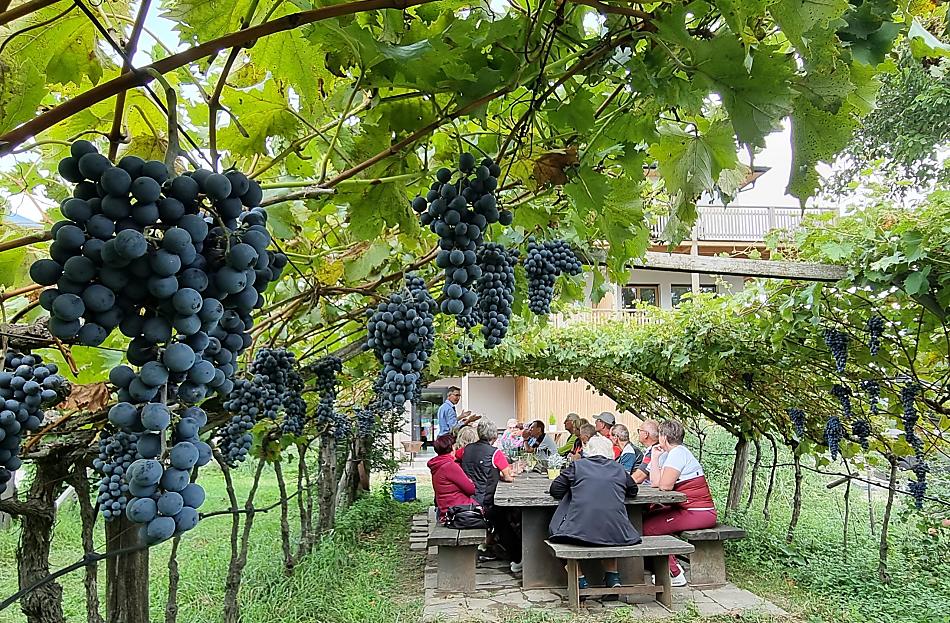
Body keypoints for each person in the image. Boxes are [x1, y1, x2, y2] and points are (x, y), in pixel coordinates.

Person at [548, 435, 641, 592]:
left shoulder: (577, 466)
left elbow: (555, 489)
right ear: (610, 452)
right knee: (607, 530)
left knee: (555, 533)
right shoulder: (619, 469)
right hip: (617, 532)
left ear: (587, 451)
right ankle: (613, 578)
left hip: (579, 531)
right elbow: (633, 491)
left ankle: (579, 579)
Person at [642, 419, 717, 586]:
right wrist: (655, 457)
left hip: (698, 512)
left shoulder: (677, 454)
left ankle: (674, 574)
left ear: (664, 437)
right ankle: (663, 566)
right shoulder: (674, 453)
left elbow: (665, 486)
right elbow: (655, 483)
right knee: (647, 518)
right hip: (689, 509)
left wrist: (659, 469)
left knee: (648, 528)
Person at [460, 420, 520, 571]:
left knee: (503, 516)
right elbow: (508, 477)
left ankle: (490, 546)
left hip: (468, 499)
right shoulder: (495, 453)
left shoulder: (466, 449)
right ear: (495, 436)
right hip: (487, 502)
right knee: (506, 518)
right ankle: (518, 557)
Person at [427, 434, 478, 524]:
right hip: (458, 510)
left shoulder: (438, 463)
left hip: (446, 508)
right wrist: (470, 481)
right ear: (452, 447)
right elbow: (471, 489)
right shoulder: (450, 466)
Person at [632, 419, 660, 485]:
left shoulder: (655, 451)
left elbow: (638, 477)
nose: (638, 433)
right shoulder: (657, 448)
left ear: (646, 434)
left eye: (639, 431)